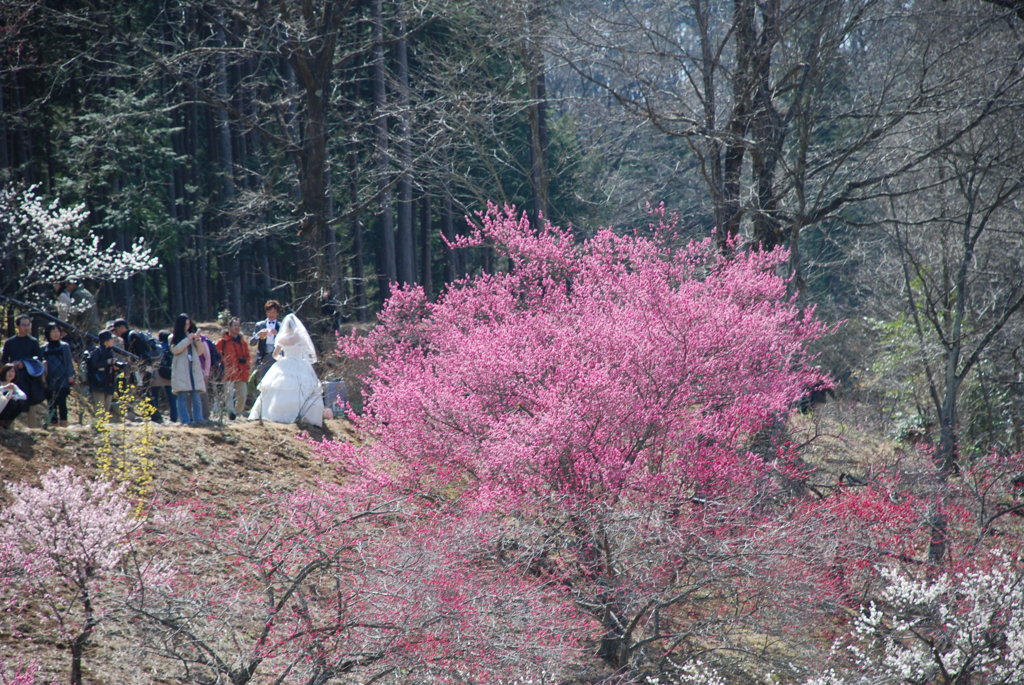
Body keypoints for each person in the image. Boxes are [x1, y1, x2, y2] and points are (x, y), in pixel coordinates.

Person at [248, 313, 324, 426]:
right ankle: (302, 415)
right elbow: (308, 352)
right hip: (300, 364)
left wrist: (283, 359)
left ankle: (273, 415)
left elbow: (275, 355)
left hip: (285, 363)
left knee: (277, 389)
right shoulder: (301, 337)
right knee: (302, 389)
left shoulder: (282, 338)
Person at [114, 318, 164, 423]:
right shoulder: (130, 336)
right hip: (142, 368)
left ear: (122, 327)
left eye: (116, 329)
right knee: (143, 392)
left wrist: (143, 370)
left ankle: (156, 416)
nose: (115, 332)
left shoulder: (132, 336)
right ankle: (152, 415)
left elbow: (143, 354)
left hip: (142, 369)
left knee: (144, 392)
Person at [1, 314, 46, 428]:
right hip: (13, 377)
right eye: (23, 325)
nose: (26, 327)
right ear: (17, 326)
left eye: (28, 325)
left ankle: (32, 429)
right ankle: (10, 427)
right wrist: (12, 365)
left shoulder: (33, 341)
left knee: (31, 404)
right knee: (11, 402)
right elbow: (4, 360)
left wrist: (25, 363)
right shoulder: (10, 342)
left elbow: (39, 359)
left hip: (30, 377)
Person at [170, 314, 206, 425]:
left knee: (196, 396)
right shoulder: (173, 337)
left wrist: (198, 340)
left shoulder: (191, 336)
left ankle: (198, 419)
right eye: (185, 324)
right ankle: (185, 420)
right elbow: (175, 350)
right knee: (182, 396)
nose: (187, 326)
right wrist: (187, 339)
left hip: (193, 370)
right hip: (181, 371)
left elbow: (200, 352)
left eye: (189, 324)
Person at [216, 318, 251, 420]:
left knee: (242, 396)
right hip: (228, 373)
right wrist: (224, 363)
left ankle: (236, 413)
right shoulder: (223, 342)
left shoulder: (242, 342)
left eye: (238, 325)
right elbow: (217, 354)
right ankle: (231, 415)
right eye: (234, 325)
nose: (237, 327)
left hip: (241, 372)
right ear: (229, 327)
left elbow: (248, 356)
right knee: (229, 396)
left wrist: (246, 362)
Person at [41, 322, 75, 427]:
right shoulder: (44, 348)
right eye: (53, 331)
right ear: (48, 333)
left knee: (62, 402)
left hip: (63, 378)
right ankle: (53, 424)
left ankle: (64, 424)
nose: (55, 334)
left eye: (57, 331)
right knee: (51, 402)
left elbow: (68, 362)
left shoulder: (64, 346)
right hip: (49, 379)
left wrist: (71, 375)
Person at [85, 330, 119, 415]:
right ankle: (99, 426)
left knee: (107, 409)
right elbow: (93, 364)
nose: (113, 341)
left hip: (109, 383)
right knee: (100, 408)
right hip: (98, 383)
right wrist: (107, 362)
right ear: (106, 341)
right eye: (111, 339)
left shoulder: (110, 351)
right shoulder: (97, 351)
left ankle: (104, 426)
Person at [152, 330, 177, 423]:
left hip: (157, 375)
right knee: (172, 398)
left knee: (154, 396)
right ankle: (174, 417)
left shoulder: (156, 347)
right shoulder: (171, 347)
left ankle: (156, 417)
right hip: (168, 374)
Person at [0, 363, 28, 429]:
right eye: (8, 371)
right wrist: (4, 387)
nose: (11, 373)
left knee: (20, 402)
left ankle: (6, 423)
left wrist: (15, 396)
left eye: (13, 371)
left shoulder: (13, 386)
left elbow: (24, 396)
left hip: (5, 408)